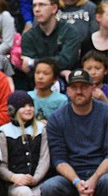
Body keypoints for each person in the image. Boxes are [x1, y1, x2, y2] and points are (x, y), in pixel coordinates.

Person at [37, 68, 108, 196]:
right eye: (74, 87)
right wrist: (76, 181)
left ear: (93, 88)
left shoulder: (106, 113)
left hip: (102, 172)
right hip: (71, 177)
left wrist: (94, 179)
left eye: (84, 87)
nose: (79, 91)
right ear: (68, 90)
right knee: (50, 187)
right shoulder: (56, 118)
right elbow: (59, 159)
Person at [0, 91, 50, 196]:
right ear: (13, 110)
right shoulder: (4, 132)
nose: (28, 109)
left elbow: (45, 158)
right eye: (23, 106)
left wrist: (35, 179)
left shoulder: (41, 128)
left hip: (39, 181)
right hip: (15, 184)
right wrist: (13, 177)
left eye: (30, 105)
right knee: (24, 192)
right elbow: (1, 165)